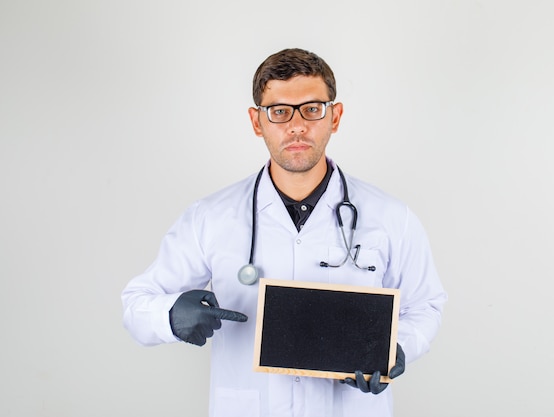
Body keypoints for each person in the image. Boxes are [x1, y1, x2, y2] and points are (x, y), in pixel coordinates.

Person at [121, 48, 447, 417]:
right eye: (279, 112)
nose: (296, 126)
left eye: (312, 109)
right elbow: (136, 303)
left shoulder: (391, 217)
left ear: (335, 116)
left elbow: (425, 305)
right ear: (257, 121)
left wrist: (395, 347)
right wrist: (168, 315)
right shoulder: (209, 217)